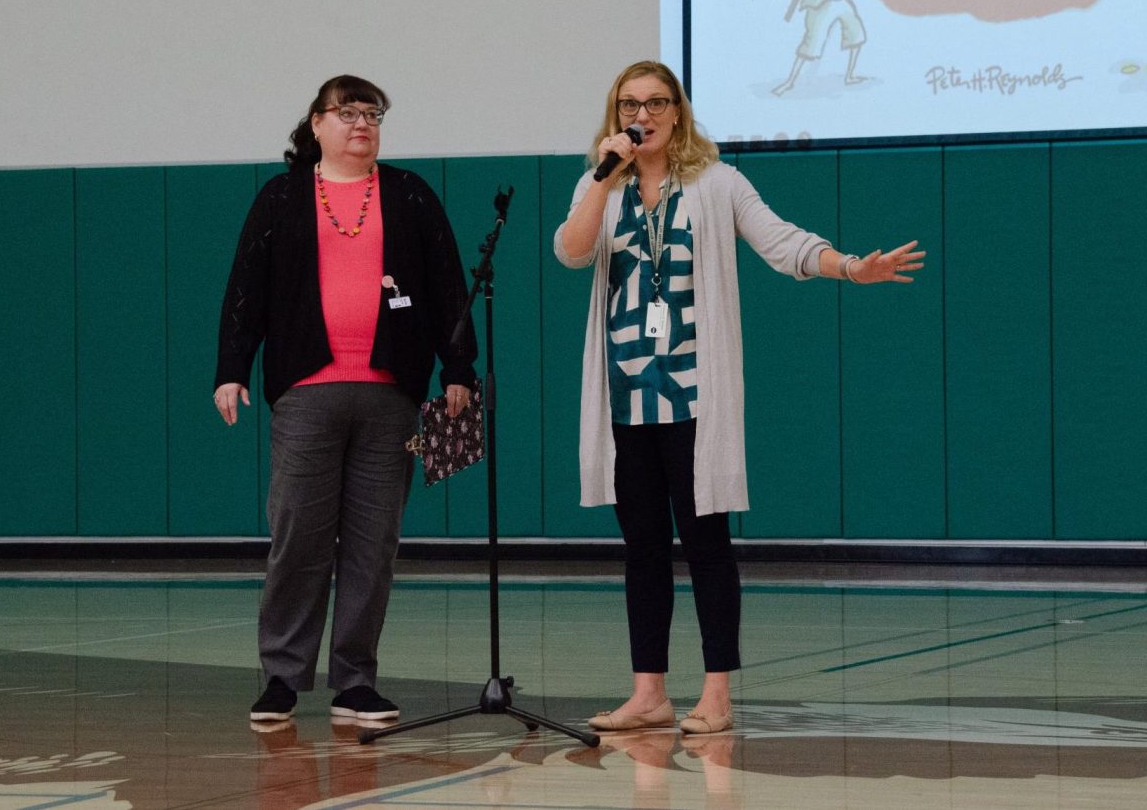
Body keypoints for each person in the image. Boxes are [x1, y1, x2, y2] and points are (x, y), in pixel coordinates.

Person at [554, 61, 922, 735]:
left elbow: (781, 242)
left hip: (696, 396)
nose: (645, 114)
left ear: (678, 111)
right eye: (631, 104)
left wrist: (849, 267)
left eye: (658, 101)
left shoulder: (717, 184)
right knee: (641, 545)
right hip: (627, 397)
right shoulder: (598, 185)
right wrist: (602, 179)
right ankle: (649, 690)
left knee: (706, 543)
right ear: (615, 115)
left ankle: (716, 691)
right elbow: (572, 252)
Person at [215, 74, 477, 724]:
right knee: (298, 536)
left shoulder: (410, 194)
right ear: (316, 124)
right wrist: (231, 368)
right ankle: (282, 674)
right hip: (307, 393)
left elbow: (449, 285)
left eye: (373, 113)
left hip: (391, 394)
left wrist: (460, 369)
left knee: (372, 542)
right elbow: (245, 286)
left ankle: (355, 679)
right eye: (348, 112)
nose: (362, 122)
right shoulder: (280, 199)